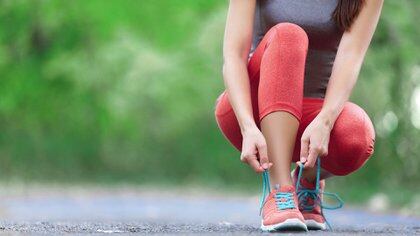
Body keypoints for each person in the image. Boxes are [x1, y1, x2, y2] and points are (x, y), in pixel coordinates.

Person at [214, 0, 383, 232]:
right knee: (289, 35)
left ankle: (307, 180)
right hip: (252, 111)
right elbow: (233, 56)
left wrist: (326, 121)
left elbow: (351, 57)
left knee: (357, 136)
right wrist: (247, 126)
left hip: (315, 116)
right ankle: (279, 190)